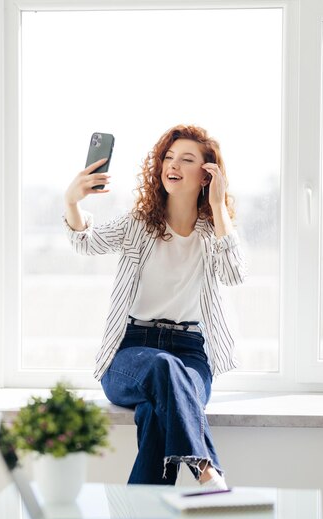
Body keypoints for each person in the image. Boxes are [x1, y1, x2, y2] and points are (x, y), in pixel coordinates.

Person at [63, 124, 246, 490]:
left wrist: (217, 207)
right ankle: (208, 472)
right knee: (164, 368)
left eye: (186, 159)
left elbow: (234, 273)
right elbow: (86, 243)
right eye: (168, 156)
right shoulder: (139, 225)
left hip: (190, 353)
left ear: (207, 174)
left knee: (154, 414)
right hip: (131, 353)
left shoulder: (213, 234)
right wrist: (72, 201)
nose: (172, 164)